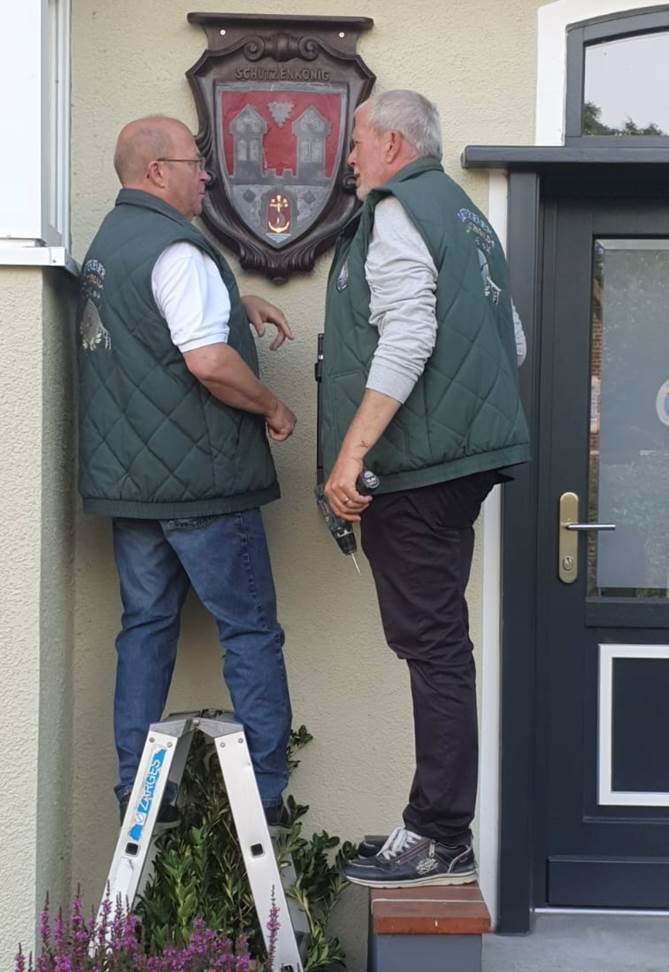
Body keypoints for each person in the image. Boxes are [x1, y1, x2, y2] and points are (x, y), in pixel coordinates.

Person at [320, 90, 530, 887]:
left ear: (393, 145)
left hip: (415, 470)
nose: (349, 157)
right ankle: (434, 827)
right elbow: (508, 342)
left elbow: (409, 333)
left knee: (432, 645)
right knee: (437, 642)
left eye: (357, 141)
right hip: (458, 467)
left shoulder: (399, 210)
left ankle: (439, 835)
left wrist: (351, 456)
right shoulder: (467, 220)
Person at [77, 116, 296, 825]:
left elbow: (149, 328)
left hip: (134, 488)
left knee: (145, 628)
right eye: (193, 163)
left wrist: (234, 301)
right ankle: (265, 795)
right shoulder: (176, 249)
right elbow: (206, 361)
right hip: (204, 483)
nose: (205, 174)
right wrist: (272, 406)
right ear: (155, 172)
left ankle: (138, 793)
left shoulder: (112, 243)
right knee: (250, 633)